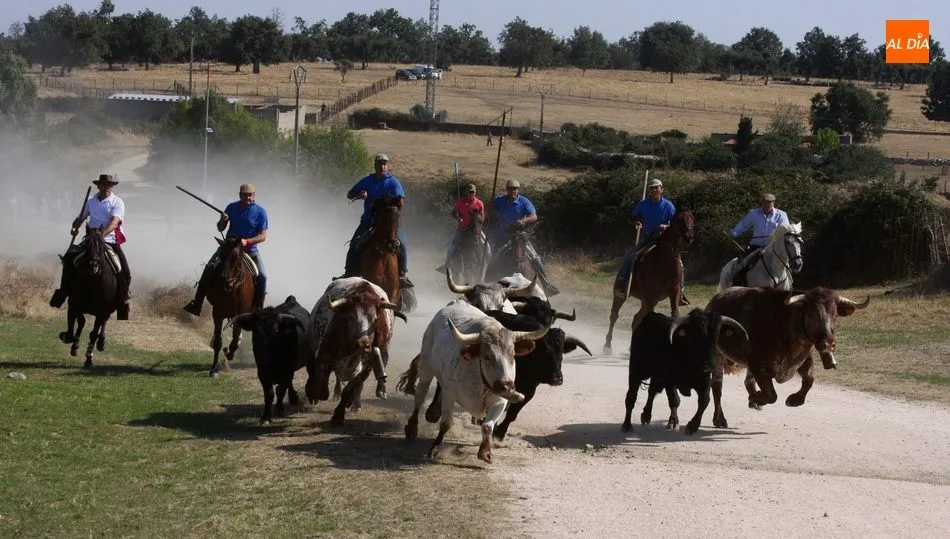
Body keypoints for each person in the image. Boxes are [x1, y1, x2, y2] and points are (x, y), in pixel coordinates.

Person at [49, 174, 132, 320]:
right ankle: (62, 293)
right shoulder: (91, 201)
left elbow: (114, 222)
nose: (106, 188)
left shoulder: (117, 202)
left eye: (109, 185)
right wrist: (75, 226)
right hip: (90, 240)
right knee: (69, 259)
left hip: (110, 240)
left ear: (112, 187)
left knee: (125, 272)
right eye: (104, 185)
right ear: (99, 186)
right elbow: (81, 217)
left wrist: (101, 235)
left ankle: (121, 303)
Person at [183, 183, 269, 316]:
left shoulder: (261, 212)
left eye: (250, 195)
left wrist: (247, 241)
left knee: (263, 276)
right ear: (240, 195)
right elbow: (220, 228)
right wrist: (223, 220)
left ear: (254, 195)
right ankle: (197, 304)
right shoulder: (231, 207)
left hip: (250, 250)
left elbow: (263, 236)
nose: (247, 198)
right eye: (244, 195)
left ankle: (258, 310)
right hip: (229, 247)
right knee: (209, 268)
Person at [334, 153, 412, 288]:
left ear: (388, 166)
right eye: (380, 164)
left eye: (385, 164)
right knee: (354, 243)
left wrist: (392, 200)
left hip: (389, 225)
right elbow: (350, 193)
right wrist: (359, 194)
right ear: (375, 166)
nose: (382, 166)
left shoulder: (393, 182)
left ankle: (402, 275)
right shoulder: (367, 181)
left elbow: (401, 201)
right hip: (368, 221)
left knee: (403, 244)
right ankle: (349, 272)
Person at [616, 178, 689, 305]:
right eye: (652, 188)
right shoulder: (643, 204)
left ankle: (680, 292)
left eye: (657, 187)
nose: (654, 190)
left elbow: (674, 224)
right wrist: (636, 222)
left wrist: (666, 227)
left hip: (664, 239)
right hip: (647, 237)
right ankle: (622, 282)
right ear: (649, 191)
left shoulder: (669, 206)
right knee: (631, 256)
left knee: (680, 263)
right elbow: (632, 217)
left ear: (662, 190)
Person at [488, 179, 559, 296]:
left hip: (519, 238)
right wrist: (490, 210)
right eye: (511, 189)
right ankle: (487, 281)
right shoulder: (499, 200)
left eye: (515, 189)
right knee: (492, 257)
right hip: (502, 237)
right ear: (507, 190)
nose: (513, 191)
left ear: (518, 190)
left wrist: (523, 221)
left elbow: (534, 216)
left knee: (535, 258)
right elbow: (487, 209)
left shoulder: (524, 202)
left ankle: (546, 284)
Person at [729, 193, 791, 284]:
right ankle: (738, 284)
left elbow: (786, 229)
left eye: (769, 202)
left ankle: (789, 284)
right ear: (762, 202)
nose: (767, 204)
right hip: (756, 247)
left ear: (774, 203)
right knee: (743, 265)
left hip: (773, 248)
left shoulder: (781, 215)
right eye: (765, 202)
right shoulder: (754, 213)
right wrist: (734, 233)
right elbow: (743, 224)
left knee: (786, 266)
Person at [436, 183, 487, 273]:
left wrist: (478, 217)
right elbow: (453, 213)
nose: (471, 194)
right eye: (469, 192)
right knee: (452, 244)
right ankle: (446, 265)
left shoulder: (479, 203)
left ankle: (486, 264)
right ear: (466, 192)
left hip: (476, 231)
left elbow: (483, 218)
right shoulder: (460, 202)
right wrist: (458, 218)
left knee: (487, 247)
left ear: (475, 193)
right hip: (463, 228)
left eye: (472, 192)